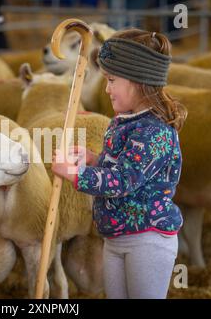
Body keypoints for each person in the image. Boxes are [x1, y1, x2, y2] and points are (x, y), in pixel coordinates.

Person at [51, 29, 187, 299]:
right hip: (116, 235)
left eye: (112, 80)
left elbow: (125, 180)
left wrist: (77, 174)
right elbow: (126, 167)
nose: (106, 89)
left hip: (147, 238)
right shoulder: (123, 121)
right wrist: (95, 159)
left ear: (138, 82)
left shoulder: (154, 131)